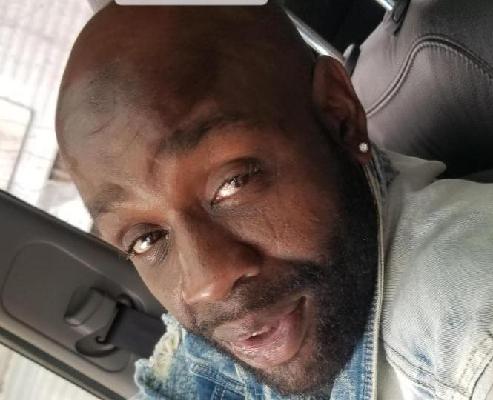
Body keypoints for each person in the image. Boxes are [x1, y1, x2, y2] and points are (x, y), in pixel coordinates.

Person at [55, 1, 493, 399]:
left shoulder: (466, 329)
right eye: (147, 239)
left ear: (339, 114)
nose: (206, 283)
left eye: (234, 182)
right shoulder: (238, 323)